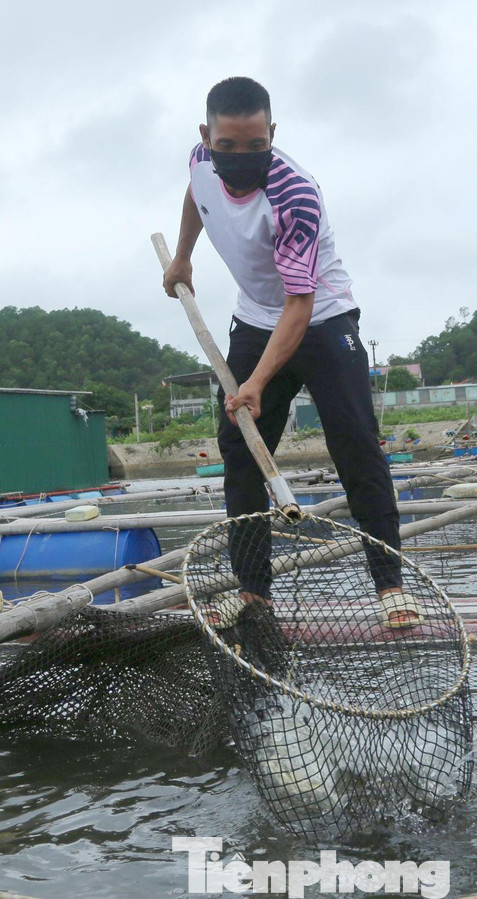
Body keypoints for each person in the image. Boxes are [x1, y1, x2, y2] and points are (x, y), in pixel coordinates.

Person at [162, 76, 419, 630]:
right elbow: (195, 195)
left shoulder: (294, 195)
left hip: (322, 319)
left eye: (255, 146)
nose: (239, 157)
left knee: (355, 444)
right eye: (226, 146)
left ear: (272, 134)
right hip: (255, 317)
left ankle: (392, 586)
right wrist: (183, 258)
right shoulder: (200, 163)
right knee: (242, 449)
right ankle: (254, 591)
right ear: (206, 137)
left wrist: (254, 382)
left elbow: (299, 306)